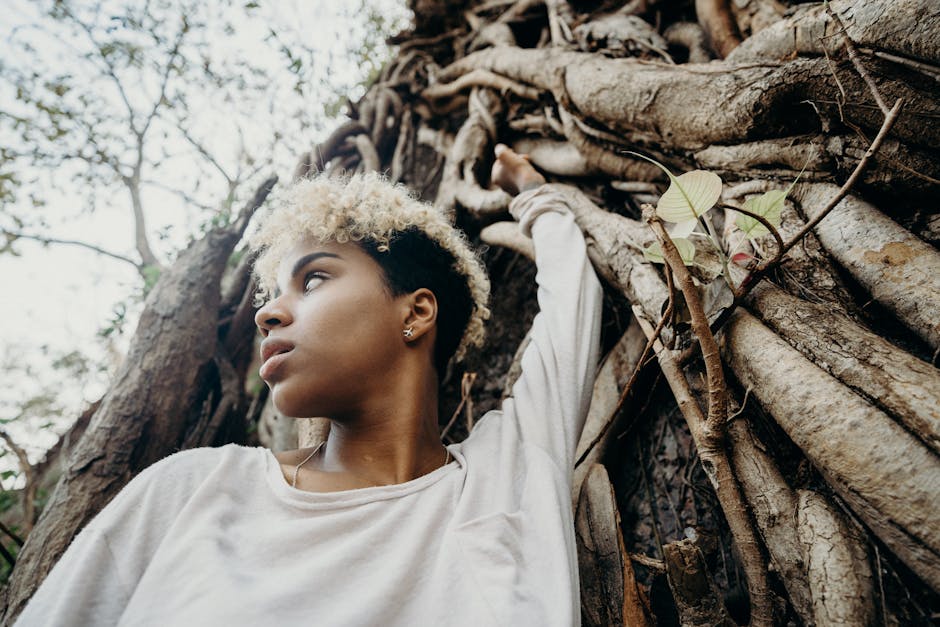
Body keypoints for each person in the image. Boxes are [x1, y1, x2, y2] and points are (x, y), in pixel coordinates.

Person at [14, 144, 603, 626]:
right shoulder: (193, 490)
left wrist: (531, 191)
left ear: (416, 314)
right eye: (272, 295)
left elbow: (571, 308)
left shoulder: (507, 476)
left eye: (314, 278)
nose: (267, 314)